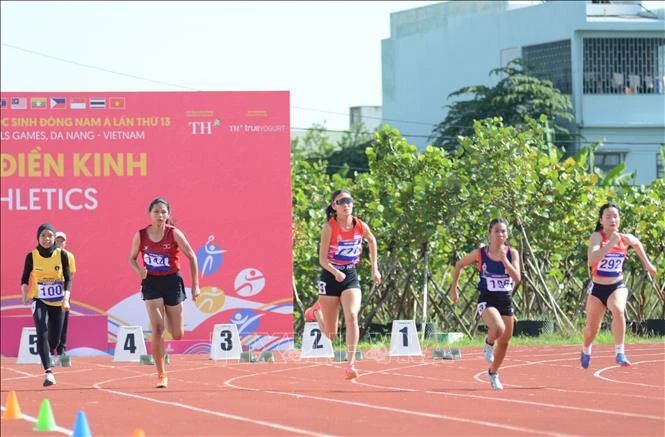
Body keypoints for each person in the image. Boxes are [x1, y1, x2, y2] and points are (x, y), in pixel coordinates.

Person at [304, 189, 381, 380]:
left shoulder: (360, 225)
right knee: (331, 335)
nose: (346, 204)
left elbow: (372, 241)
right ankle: (315, 312)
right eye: (341, 201)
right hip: (330, 276)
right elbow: (322, 259)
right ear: (334, 206)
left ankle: (350, 364)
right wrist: (335, 271)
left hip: (350, 275)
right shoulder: (329, 228)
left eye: (349, 201)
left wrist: (374, 269)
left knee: (352, 316)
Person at [129, 197, 200, 388]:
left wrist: (195, 285)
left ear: (168, 215)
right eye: (156, 212)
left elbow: (192, 256)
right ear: (149, 214)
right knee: (158, 329)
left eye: (163, 212)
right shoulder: (141, 235)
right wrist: (139, 271)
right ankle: (161, 373)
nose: (160, 215)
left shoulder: (174, 234)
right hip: (151, 283)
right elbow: (132, 258)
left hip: (172, 282)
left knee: (176, 334)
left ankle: (171, 317)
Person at [581, 202, 657, 369]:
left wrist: (648, 265)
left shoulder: (625, 238)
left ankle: (620, 352)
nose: (612, 220)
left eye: (615, 216)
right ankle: (586, 348)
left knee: (618, 309)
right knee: (592, 330)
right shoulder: (597, 237)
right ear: (601, 220)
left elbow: (637, 243)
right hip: (597, 289)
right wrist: (610, 244)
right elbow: (592, 260)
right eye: (608, 217)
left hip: (616, 285)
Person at [450, 218, 521, 391]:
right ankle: (488, 343)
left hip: (505, 299)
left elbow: (517, 278)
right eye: (496, 231)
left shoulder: (512, 253)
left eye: (503, 231)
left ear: (507, 234)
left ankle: (493, 373)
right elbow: (459, 264)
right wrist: (454, 289)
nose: (500, 234)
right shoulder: (480, 253)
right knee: (498, 329)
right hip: (487, 299)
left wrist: (505, 261)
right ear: (489, 233)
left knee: (504, 342)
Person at [20, 223, 72, 387]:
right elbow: (24, 278)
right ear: (38, 238)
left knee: (54, 339)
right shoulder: (32, 256)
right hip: (39, 299)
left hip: (58, 301)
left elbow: (68, 279)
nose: (47, 239)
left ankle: (50, 352)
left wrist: (65, 298)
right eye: (43, 235)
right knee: (41, 330)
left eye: (50, 235)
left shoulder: (62, 255)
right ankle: (48, 372)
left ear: (54, 237)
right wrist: (24, 294)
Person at [54, 231, 76, 366]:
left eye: (62, 241)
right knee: (51, 322)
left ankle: (62, 352)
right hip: (50, 293)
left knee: (63, 322)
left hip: (63, 292)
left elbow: (71, 275)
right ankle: (50, 351)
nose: (60, 243)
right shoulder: (48, 255)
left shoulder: (69, 256)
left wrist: (66, 293)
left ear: (65, 242)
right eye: (57, 240)